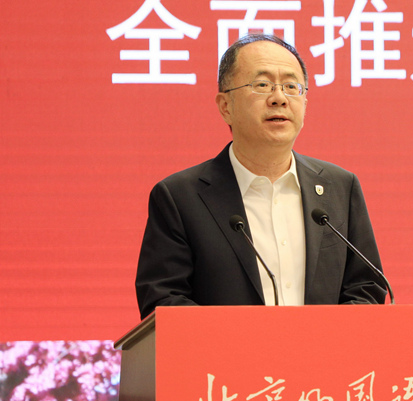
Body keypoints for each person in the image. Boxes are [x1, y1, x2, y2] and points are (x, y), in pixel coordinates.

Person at [135, 34, 386, 319]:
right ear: (226, 106)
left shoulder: (340, 187)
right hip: (223, 350)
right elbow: (163, 301)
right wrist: (244, 342)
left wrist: (321, 341)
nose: (279, 98)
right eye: (262, 85)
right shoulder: (180, 198)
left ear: (305, 102)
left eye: (291, 86)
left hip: (324, 349)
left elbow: (367, 288)